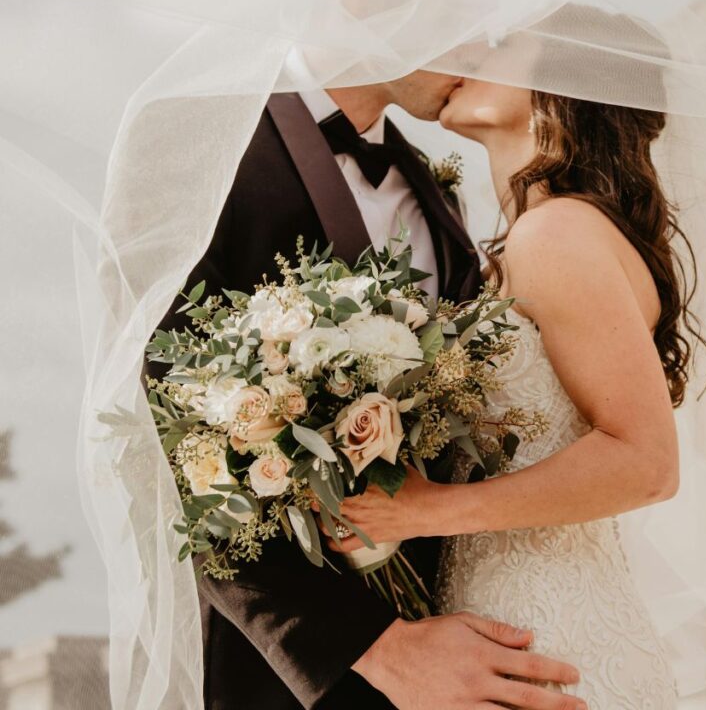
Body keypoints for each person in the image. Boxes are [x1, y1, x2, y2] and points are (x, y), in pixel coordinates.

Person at [149, 71, 584, 710]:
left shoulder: (437, 192)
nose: (475, 52)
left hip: (462, 645)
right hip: (293, 677)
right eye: (457, 11)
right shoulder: (201, 141)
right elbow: (169, 426)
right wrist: (373, 648)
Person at [324, 22, 706, 707]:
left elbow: (648, 462)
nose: (468, 49)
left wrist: (425, 512)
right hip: (506, 626)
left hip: (548, 632)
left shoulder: (557, 233)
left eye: (501, 44)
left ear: (562, 86)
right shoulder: (535, 237)